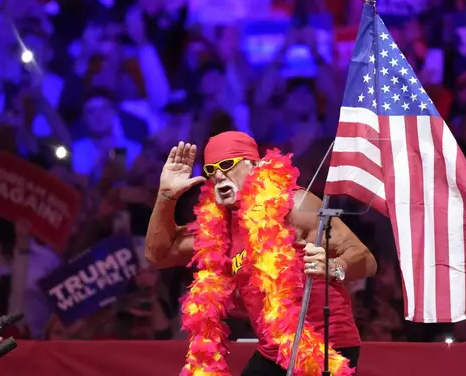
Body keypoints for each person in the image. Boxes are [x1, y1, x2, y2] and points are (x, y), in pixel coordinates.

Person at [145, 131, 377, 376]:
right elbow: (159, 255)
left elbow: (366, 260)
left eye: (226, 165)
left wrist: (335, 267)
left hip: (324, 347)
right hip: (274, 351)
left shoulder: (294, 205)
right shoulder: (220, 225)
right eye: (211, 170)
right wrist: (166, 196)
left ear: (253, 165)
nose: (219, 175)